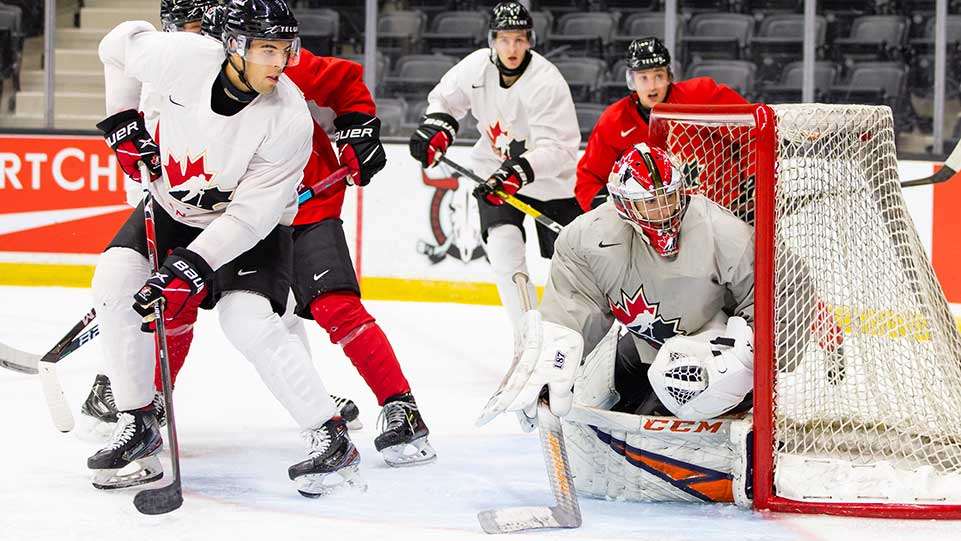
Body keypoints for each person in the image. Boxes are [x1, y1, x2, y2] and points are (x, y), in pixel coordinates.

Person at [88, 0, 362, 497]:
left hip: (250, 232)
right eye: (267, 50)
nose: (280, 63)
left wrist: (189, 268)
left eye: (286, 50)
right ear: (234, 46)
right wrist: (122, 121)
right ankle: (138, 419)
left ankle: (330, 434)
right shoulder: (186, 57)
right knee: (113, 280)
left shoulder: (290, 119)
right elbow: (116, 45)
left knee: (246, 319)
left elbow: (250, 218)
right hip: (172, 210)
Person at [480, 142, 755, 429]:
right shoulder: (587, 237)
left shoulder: (724, 232)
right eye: (649, 202)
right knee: (594, 406)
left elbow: (781, 295)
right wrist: (554, 353)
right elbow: (573, 307)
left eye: (669, 198)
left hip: (710, 350)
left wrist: (743, 360)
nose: (663, 211)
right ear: (624, 204)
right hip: (645, 344)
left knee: (656, 420)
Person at [409, 0, 581, 348]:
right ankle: (529, 344)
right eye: (504, 39)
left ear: (529, 40)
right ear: (493, 40)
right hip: (494, 176)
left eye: (519, 39)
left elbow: (561, 148)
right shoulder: (475, 68)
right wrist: (437, 129)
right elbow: (444, 100)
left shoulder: (547, 81)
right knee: (505, 252)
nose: (512, 48)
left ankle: (576, 341)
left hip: (551, 184)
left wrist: (518, 172)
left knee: (572, 268)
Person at [575, 38, 748, 212]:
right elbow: (588, 179)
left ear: (669, 76)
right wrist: (611, 208)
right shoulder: (614, 120)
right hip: (650, 223)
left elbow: (754, 131)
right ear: (631, 80)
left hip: (721, 211)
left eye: (658, 76)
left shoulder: (702, 95)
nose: (652, 87)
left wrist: (754, 181)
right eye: (643, 78)